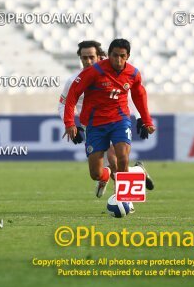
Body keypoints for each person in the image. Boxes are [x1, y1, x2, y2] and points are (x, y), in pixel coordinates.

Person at [62, 39, 155, 197]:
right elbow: (72, 95)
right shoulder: (91, 72)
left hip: (119, 120)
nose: (118, 60)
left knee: (121, 157)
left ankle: (126, 200)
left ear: (128, 56)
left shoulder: (133, 73)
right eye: (115, 56)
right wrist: (70, 122)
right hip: (94, 124)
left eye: (122, 56)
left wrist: (146, 120)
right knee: (95, 173)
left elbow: (139, 96)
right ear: (109, 55)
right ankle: (134, 171)